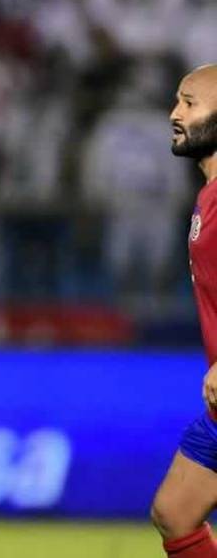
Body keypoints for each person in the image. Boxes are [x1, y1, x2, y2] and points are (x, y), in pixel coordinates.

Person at [149, 63, 217, 558]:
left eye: (190, 104)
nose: (175, 114)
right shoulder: (206, 197)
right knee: (175, 511)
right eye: (176, 101)